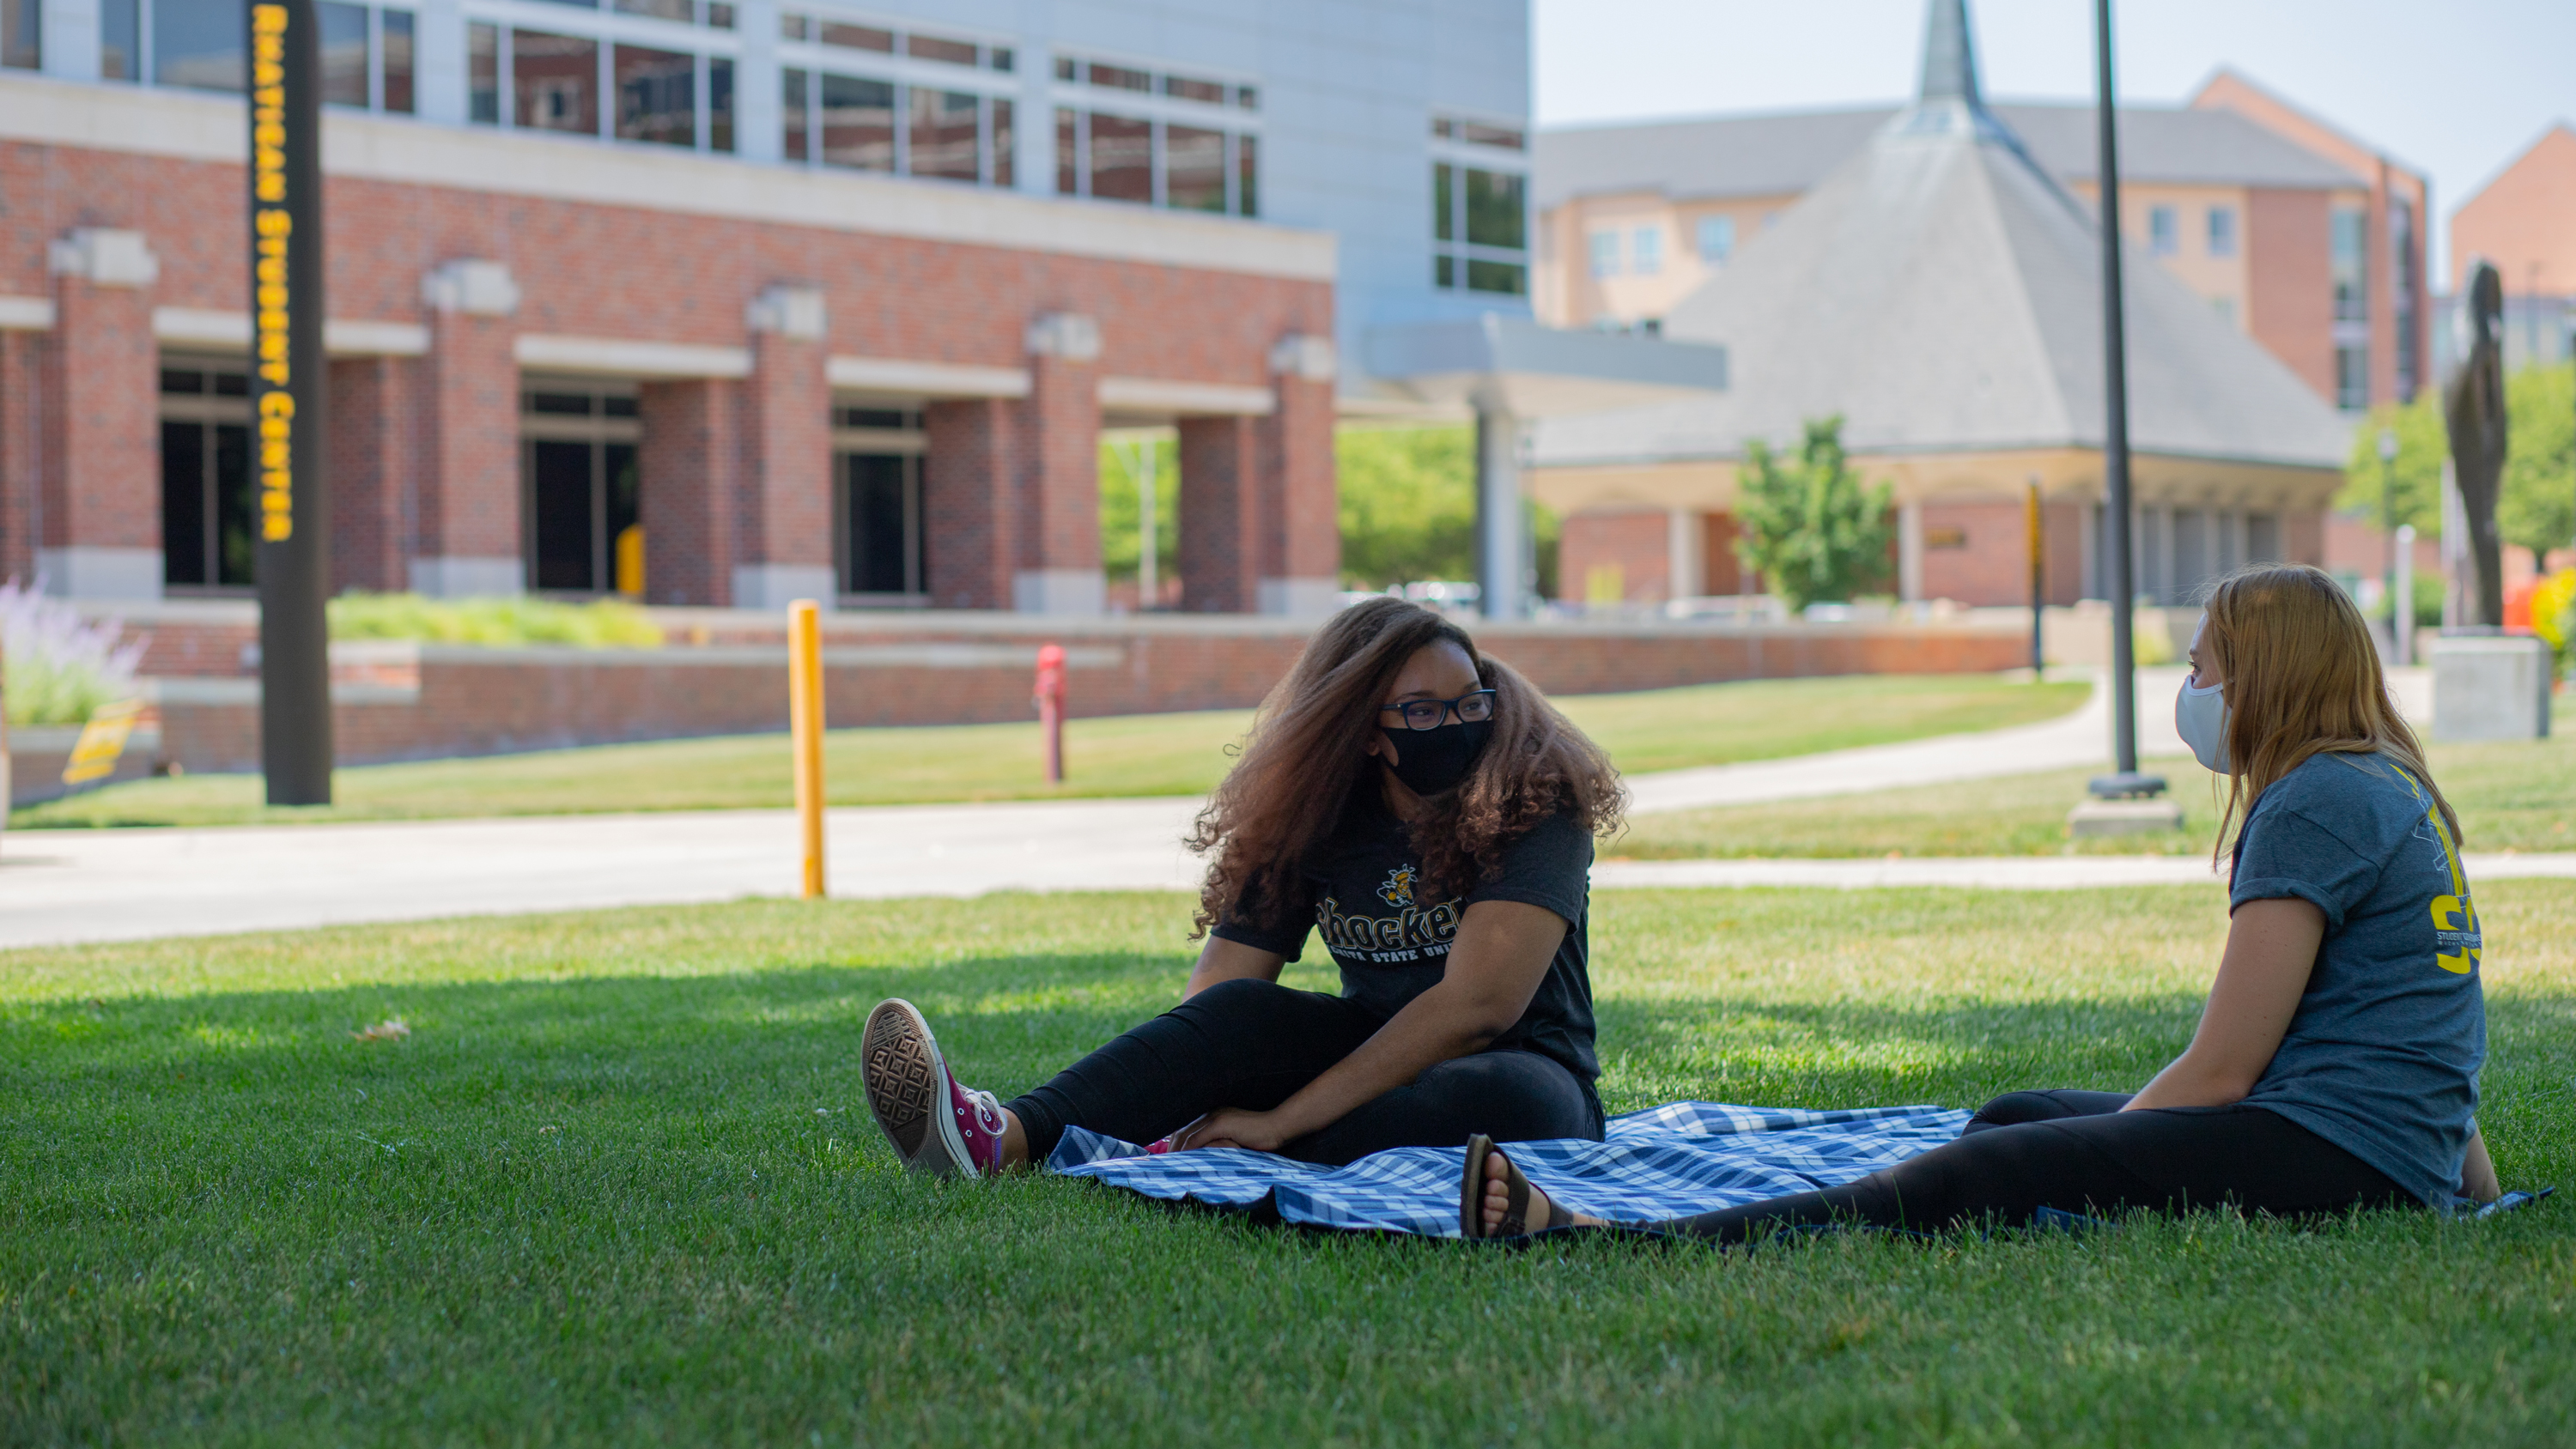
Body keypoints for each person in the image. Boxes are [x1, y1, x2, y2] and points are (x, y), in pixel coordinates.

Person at [1467, 561, 2500, 1241]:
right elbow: (2424, 1021)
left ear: (2262, 678)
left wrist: (2108, 1152)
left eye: (2202, 669)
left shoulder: (2315, 798)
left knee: (2007, 1160)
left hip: (2337, 1154)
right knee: (2015, 1117)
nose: (2191, 691)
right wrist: (2471, 1186)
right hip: (2368, 1145)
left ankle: (1612, 1237)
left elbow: (2224, 1068)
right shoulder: (2384, 783)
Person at [860, 596, 1626, 1176]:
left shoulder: (1532, 798)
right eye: (1422, 711)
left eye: (1470, 705)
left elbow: (1478, 1009)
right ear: (1362, 730)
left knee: (1491, 1096)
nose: (1455, 727)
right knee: (1242, 1015)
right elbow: (1221, 990)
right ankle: (1004, 1139)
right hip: (1367, 1051)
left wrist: (1283, 1118)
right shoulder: (1317, 814)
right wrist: (1182, 1084)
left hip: (1526, 1071)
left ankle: (1243, 1151)